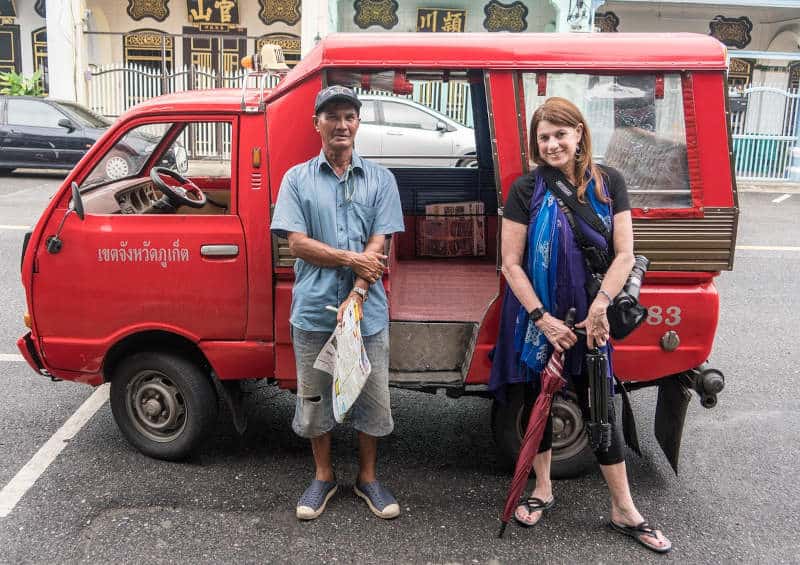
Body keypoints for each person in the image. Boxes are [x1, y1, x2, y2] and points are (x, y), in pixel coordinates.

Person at [489, 97, 672, 553]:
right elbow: (511, 264)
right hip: (540, 318)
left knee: (600, 410)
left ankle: (624, 508)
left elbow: (624, 254)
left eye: (560, 135)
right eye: (543, 137)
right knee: (539, 405)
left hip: (593, 321)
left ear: (578, 135)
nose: (552, 144)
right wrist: (542, 319)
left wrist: (600, 307)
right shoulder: (525, 189)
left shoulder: (610, 184)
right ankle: (542, 488)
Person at [271, 85, 405, 521]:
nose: (341, 125)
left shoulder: (381, 179)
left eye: (349, 116)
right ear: (317, 125)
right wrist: (350, 260)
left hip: (367, 312)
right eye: (332, 117)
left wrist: (358, 293)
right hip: (313, 310)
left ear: (358, 123)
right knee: (315, 398)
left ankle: (368, 478)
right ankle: (323, 476)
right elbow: (298, 244)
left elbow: (379, 245)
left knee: (369, 394)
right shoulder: (296, 179)